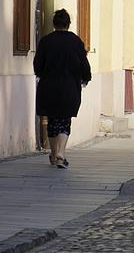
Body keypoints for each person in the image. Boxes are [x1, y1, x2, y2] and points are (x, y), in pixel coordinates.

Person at [33, 9, 91, 169]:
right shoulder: (76, 42)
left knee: (52, 121)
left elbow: (37, 65)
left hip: (49, 87)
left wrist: (43, 74)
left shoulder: (45, 41)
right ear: (68, 24)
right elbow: (84, 65)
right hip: (69, 88)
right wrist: (86, 78)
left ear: (54, 24)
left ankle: (54, 154)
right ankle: (60, 154)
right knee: (65, 121)